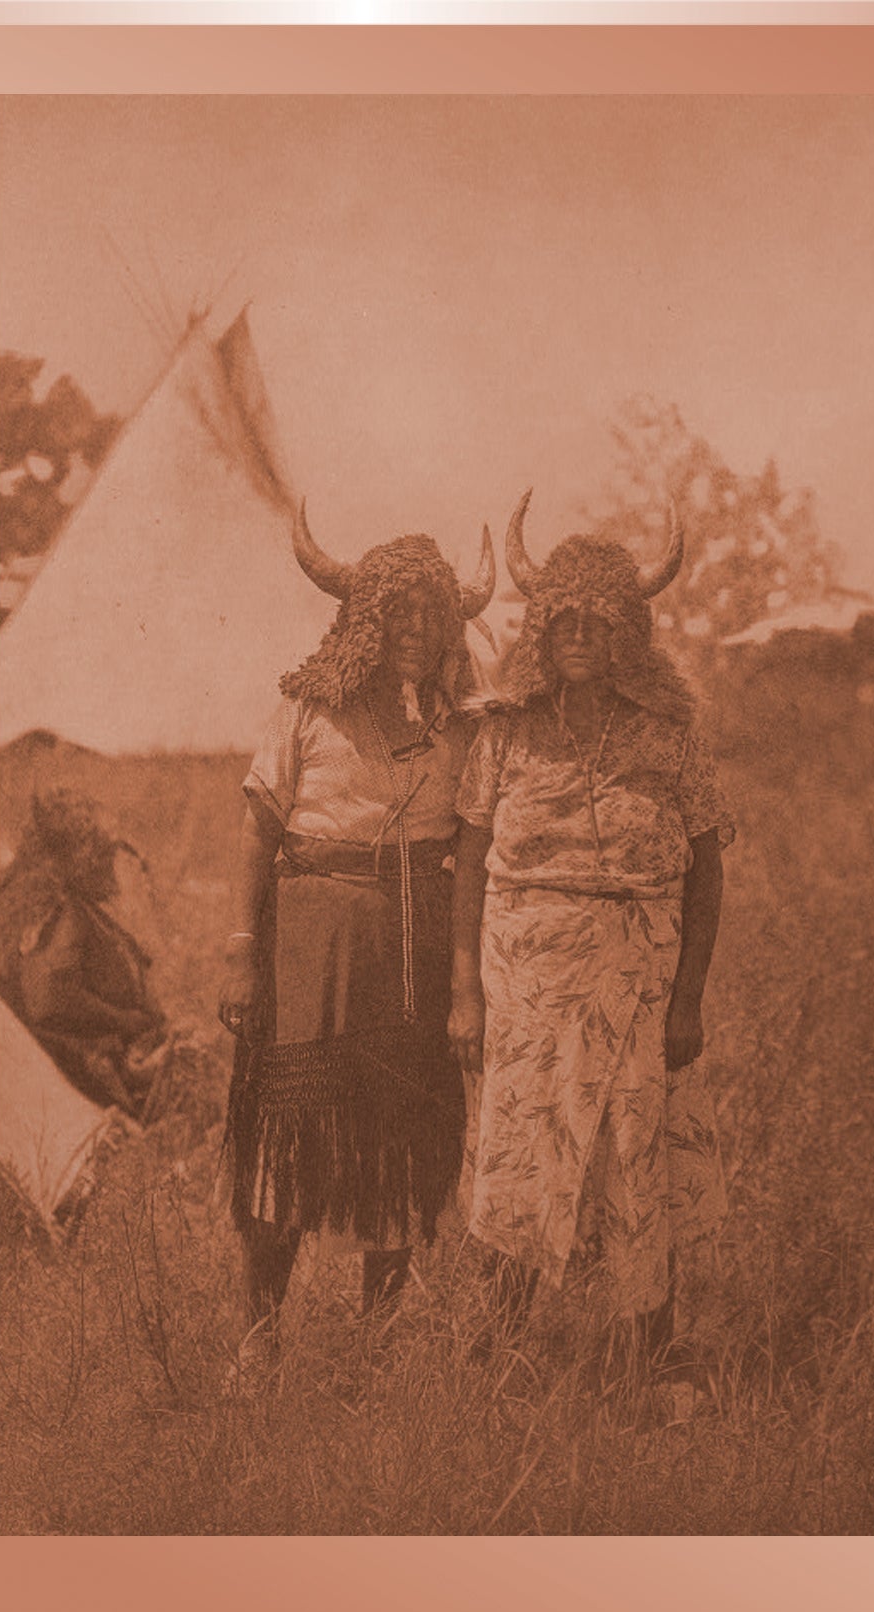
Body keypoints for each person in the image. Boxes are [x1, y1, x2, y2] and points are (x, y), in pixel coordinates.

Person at [448, 490, 733, 1379]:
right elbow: (468, 854)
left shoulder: (669, 733)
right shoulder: (504, 731)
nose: (577, 634)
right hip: (524, 990)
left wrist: (687, 1000)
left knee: (635, 1160)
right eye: (561, 617)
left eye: (598, 622)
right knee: (519, 1162)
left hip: (639, 988)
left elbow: (706, 867)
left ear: (627, 634)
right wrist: (464, 991)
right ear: (539, 628)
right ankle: (493, 1362)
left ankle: (651, 1362)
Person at [218, 506, 495, 1366]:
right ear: (362, 621)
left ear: (451, 626)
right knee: (286, 1134)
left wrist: (463, 986)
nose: (414, 632)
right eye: (396, 614)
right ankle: (261, 1336)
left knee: (402, 1140)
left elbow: (474, 855)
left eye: (431, 615)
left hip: (412, 949)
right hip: (308, 942)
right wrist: (239, 950)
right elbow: (259, 828)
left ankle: (377, 1342)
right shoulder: (306, 707)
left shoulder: (463, 726)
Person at [0, 787, 169, 1117]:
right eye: (107, 851)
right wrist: (124, 1021)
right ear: (84, 857)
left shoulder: (72, 905)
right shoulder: (63, 911)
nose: (115, 861)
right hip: (68, 1087)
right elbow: (49, 1000)